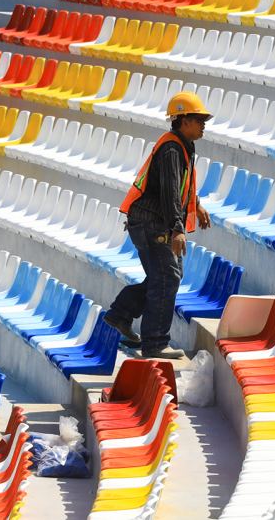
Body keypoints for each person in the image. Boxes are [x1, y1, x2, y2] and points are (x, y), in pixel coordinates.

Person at [104, 91, 212, 360]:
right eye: (199, 119)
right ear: (183, 120)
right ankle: (154, 344)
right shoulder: (172, 149)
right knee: (167, 279)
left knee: (163, 278)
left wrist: (196, 203)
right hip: (152, 224)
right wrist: (177, 229)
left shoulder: (180, 146)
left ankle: (121, 313)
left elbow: (179, 185)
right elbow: (169, 192)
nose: (203, 124)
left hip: (147, 221)